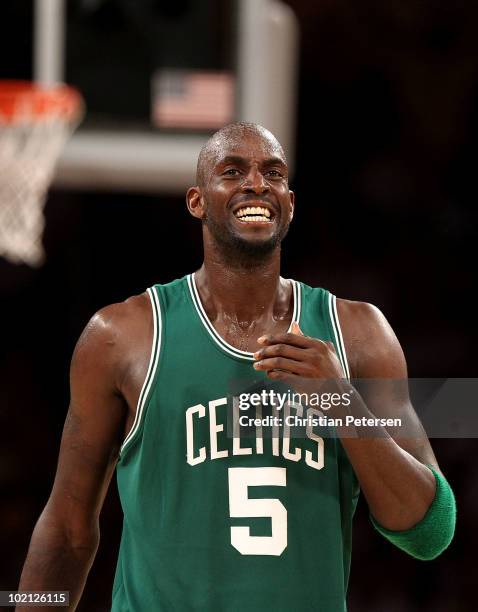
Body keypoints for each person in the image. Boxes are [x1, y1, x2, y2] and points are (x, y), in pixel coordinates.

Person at [18, 123, 455, 611]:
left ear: (289, 203)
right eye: (232, 171)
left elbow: (430, 530)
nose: (256, 184)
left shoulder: (359, 333)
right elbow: (67, 527)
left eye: (273, 174)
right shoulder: (119, 336)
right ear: (197, 201)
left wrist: (341, 403)